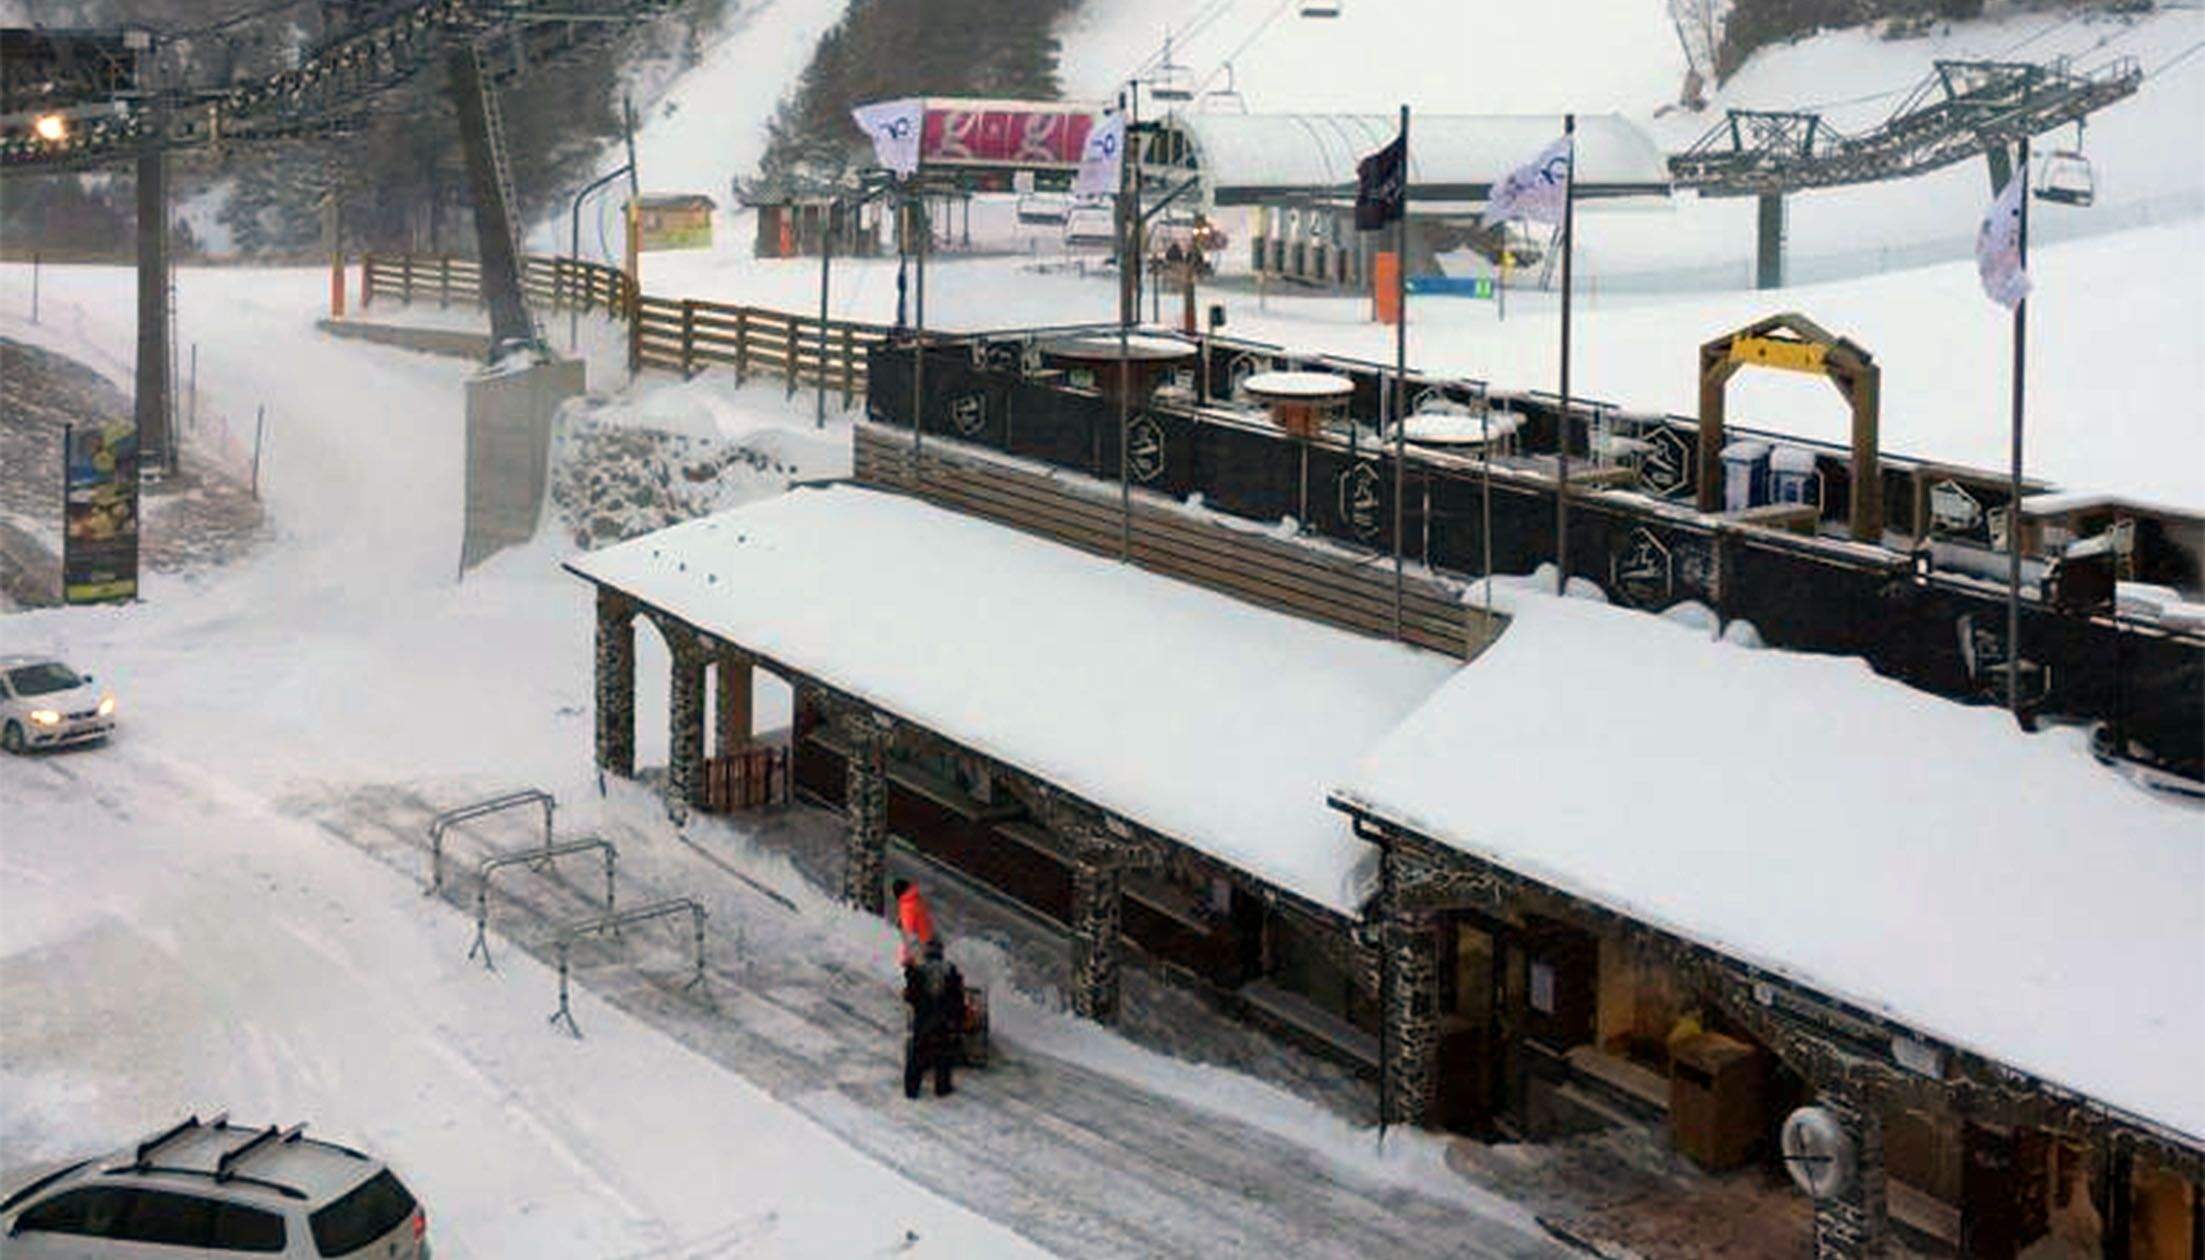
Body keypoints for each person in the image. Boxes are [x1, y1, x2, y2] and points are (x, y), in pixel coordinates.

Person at [903, 939, 964, 1099]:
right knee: (943, 1055)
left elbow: (911, 995)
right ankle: (942, 1088)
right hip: (942, 1019)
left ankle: (911, 1090)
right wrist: (956, 1020)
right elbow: (957, 999)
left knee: (917, 1055)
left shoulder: (920, 970)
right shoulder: (950, 970)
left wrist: (909, 973)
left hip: (923, 1017)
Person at [892, 878, 935, 968]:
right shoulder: (916, 898)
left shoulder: (907, 907)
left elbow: (910, 935)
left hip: (921, 946)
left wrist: (907, 959)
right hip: (930, 939)